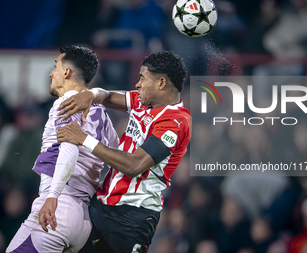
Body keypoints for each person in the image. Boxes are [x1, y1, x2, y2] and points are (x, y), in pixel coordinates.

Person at [56, 51, 191, 253]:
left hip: (132, 218)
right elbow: (108, 96)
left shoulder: (176, 122)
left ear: (161, 83)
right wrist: (90, 95)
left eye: (142, 78)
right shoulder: (142, 101)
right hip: (100, 205)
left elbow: (134, 165)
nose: (137, 84)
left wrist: (83, 139)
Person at [6, 45, 119, 253]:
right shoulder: (102, 114)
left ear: (66, 72)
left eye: (55, 66)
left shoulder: (67, 101)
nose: (51, 73)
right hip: (83, 220)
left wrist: (53, 196)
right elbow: (116, 157)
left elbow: (69, 148)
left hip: (57, 209)